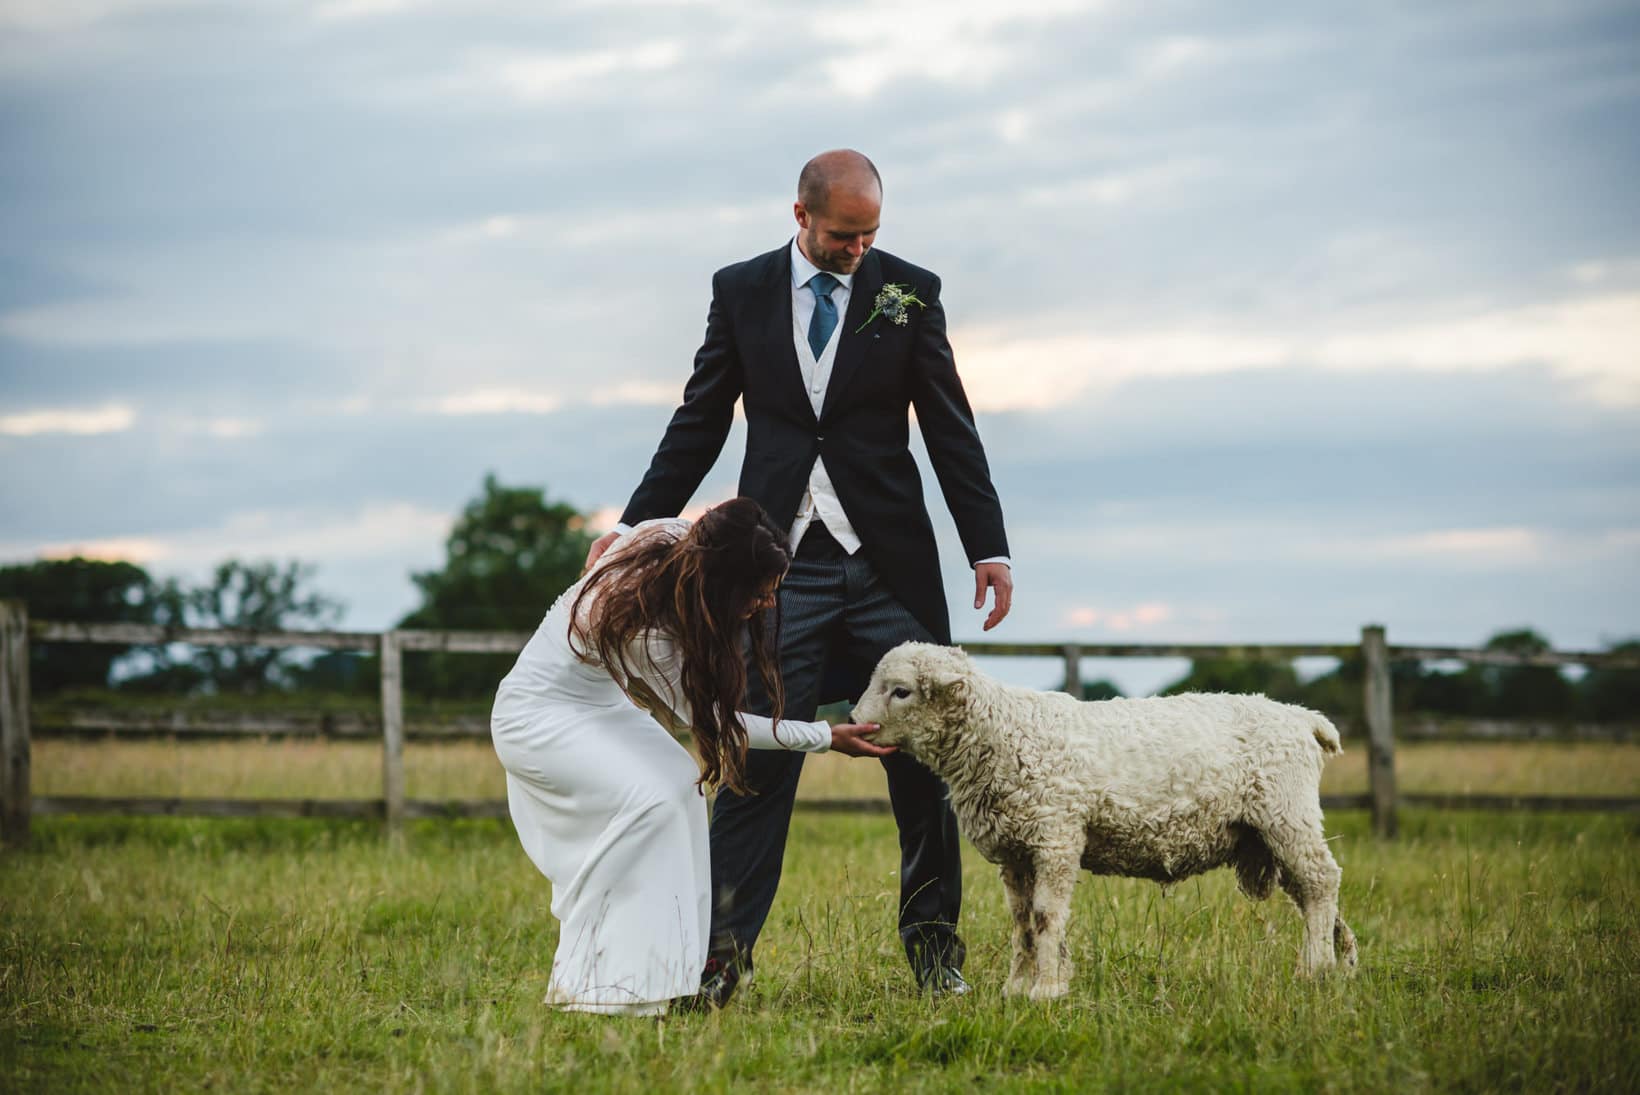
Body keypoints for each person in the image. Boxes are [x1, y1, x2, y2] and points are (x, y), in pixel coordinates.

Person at [586, 149, 1012, 1004]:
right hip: (779, 575)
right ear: (802, 216)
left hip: (892, 569)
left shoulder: (910, 290)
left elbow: (949, 428)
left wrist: (987, 546)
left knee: (922, 770)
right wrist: (633, 523)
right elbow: (701, 416)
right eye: (845, 235)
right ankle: (716, 962)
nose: (860, 250)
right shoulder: (740, 291)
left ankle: (937, 957)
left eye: (872, 235)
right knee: (754, 765)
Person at [491, 498, 893, 1017]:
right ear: (725, 584)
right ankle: (601, 982)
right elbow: (721, 726)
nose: (769, 603)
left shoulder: (677, 538)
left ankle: (665, 976)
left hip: (598, 704)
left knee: (681, 784)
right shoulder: (653, 630)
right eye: (759, 592)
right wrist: (823, 737)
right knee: (652, 802)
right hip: (539, 716)